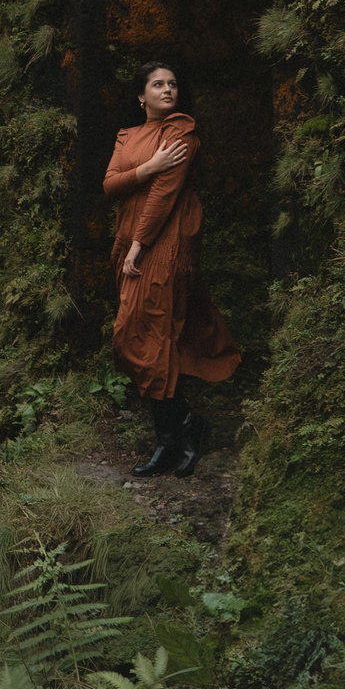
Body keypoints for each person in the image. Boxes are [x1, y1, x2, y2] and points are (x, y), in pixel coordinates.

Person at [103, 61, 241, 477]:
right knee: (146, 336)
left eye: (173, 84)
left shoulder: (180, 131)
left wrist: (140, 246)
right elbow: (111, 184)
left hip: (167, 238)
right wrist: (146, 168)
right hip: (130, 237)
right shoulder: (128, 136)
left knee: (142, 333)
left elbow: (165, 192)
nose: (168, 90)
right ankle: (174, 437)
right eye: (158, 85)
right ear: (141, 96)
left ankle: (181, 428)